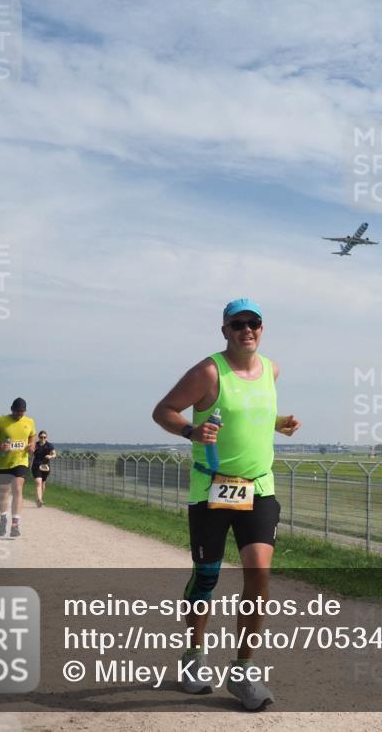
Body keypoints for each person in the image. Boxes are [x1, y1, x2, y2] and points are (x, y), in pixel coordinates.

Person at [152, 298, 300, 710]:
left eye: (253, 323)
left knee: (259, 574)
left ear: (262, 328)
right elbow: (163, 410)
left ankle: (243, 670)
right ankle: (194, 656)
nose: (246, 330)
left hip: (259, 488)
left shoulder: (272, 369)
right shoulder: (208, 371)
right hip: (211, 488)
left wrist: (277, 422)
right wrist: (191, 432)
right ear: (225, 331)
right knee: (207, 577)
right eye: (238, 324)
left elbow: (249, 411)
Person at [0, 398, 36, 538]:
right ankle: (3, 519)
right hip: (3, 462)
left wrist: (32, 445)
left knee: (18, 488)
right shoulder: (1, 421)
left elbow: (32, 436)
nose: (19, 414)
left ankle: (15, 524)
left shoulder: (29, 421)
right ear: (11, 409)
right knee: (4, 491)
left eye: (22, 412)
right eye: (17, 411)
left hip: (21, 460)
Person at [31, 431, 57, 508]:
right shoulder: (35, 445)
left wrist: (50, 456)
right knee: (38, 482)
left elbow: (54, 454)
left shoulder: (49, 445)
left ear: (46, 437)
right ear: (38, 437)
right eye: (41, 437)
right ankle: (39, 499)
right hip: (36, 465)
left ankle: (40, 499)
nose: (43, 438)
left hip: (45, 466)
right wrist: (30, 450)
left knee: (43, 483)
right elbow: (30, 453)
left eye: (44, 437)